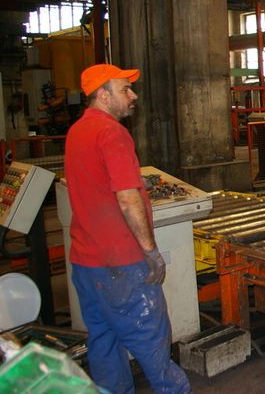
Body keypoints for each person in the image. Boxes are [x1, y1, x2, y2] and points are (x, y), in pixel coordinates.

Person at [64, 64, 190, 393]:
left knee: (103, 343)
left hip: (86, 263)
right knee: (152, 346)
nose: (132, 95)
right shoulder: (112, 133)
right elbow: (127, 197)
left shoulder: (77, 131)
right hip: (122, 263)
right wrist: (150, 251)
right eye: (124, 89)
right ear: (103, 95)